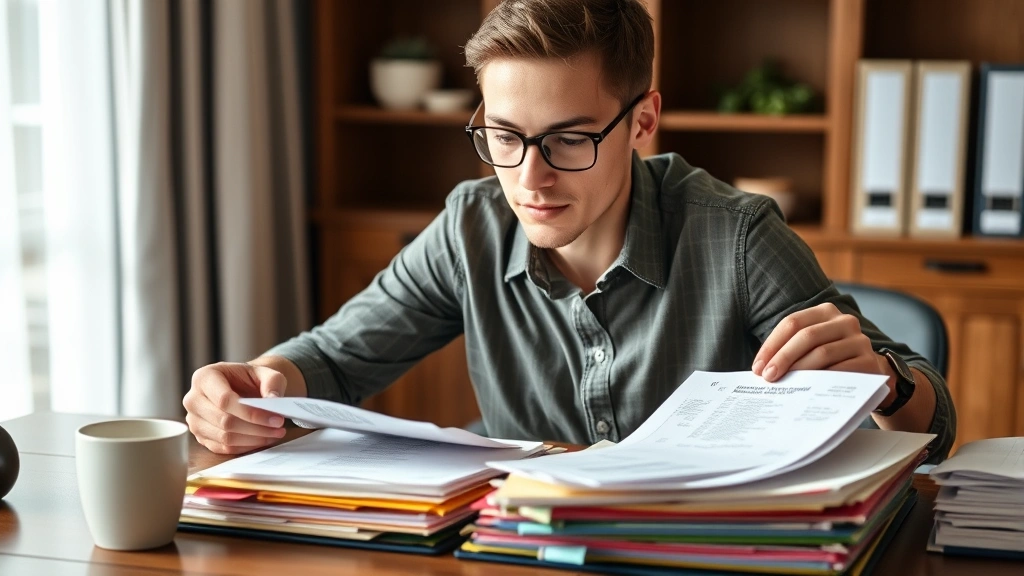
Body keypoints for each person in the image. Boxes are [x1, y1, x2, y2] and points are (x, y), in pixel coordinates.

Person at [183, 0, 955, 461]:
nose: (530, 177)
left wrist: (887, 383)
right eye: (506, 136)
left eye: (569, 139)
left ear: (642, 121)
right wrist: (256, 384)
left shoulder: (736, 235)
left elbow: (934, 422)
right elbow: (333, 362)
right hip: (522, 546)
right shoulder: (470, 226)